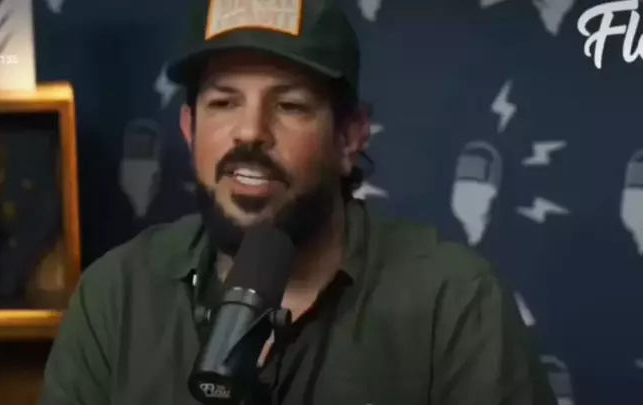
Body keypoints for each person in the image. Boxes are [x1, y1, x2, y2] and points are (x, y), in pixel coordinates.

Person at [40, 0, 556, 404]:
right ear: (190, 129)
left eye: (289, 105)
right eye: (223, 102)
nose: (250, 132)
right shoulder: (115, 297)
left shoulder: (455, 302)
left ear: (350, 137)